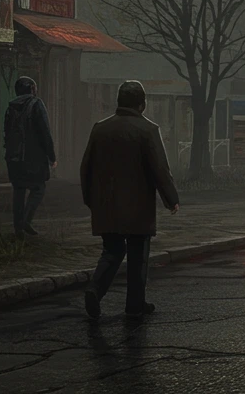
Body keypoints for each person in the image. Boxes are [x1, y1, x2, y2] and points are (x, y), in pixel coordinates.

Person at [79, 81, 180, 319]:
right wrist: (170, 198)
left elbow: (86, 167)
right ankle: (135, 303)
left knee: (111, 250)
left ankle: (95, 289)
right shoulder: (147, 130)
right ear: (142, 104)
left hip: (105, 203)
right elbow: (160, 169)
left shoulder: (100, 128)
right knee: (138, 254)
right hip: (138, 205)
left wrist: (89, 198)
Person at [3, 76, 56, 238]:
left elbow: (6, 133)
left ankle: (18, 228)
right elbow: (44, 132)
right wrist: (51, 156)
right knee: (38, 188)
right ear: (32, 89)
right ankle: (26, 220)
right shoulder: (36, 104)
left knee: (18, 191)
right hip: (33, 157)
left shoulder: (11, 107)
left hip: (14, 157)